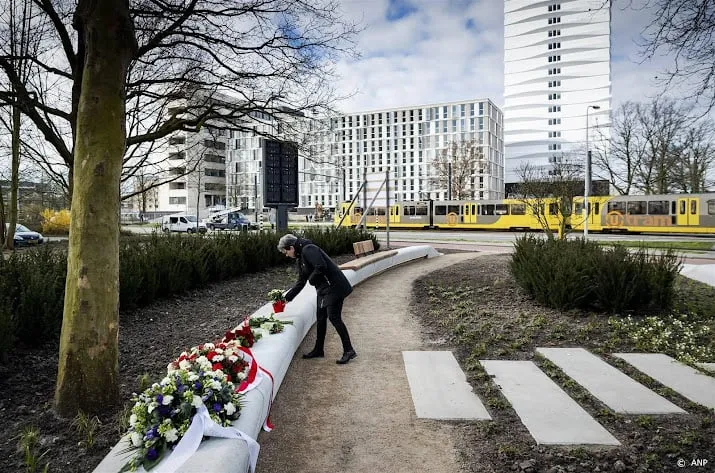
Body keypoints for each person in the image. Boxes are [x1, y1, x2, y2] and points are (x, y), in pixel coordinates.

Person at [277, 233, 357, 364]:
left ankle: (349, 350)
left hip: (334, 287)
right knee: (320, 318)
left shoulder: (309, 249)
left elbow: (321, 266)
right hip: (323, 290)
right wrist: (285, 299)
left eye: (285, 252)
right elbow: (300, 282)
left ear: (291, 247)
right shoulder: (300, 257)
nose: (286, 255)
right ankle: (318, 349)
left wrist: (312, 279)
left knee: (334, 317)